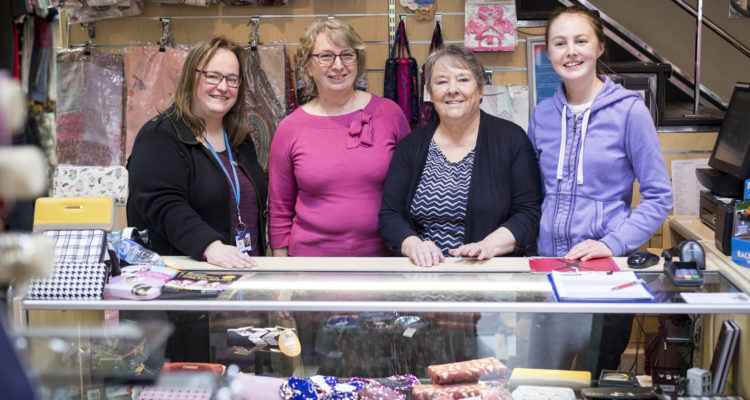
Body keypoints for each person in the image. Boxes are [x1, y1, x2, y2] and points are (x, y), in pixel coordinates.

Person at [526, 6, 673, 373]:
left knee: (596, 383)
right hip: (550, 273)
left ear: (600, 47)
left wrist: (613, 243)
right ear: (549, 52)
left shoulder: (630, 112)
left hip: (606, 275)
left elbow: (659, 196)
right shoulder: (542, 115)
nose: (570, 51)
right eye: (560, 43)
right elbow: (531, 195)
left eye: (581, 41)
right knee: (542, 383)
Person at [126, 36, 268, 363]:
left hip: (241, 291)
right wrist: (210, 246)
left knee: (243, 380)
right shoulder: (161, 136)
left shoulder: (239, 139)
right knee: (196, 379)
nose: (223, 87)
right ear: (192, 77)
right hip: (184, 300)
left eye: (232, 79)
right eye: (213, 76)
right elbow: (163, 204)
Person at [379, 45, 542, 267]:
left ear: (481, 89)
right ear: (430, 93)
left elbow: (528, 213)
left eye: (463, 80)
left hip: (489, 272)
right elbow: (390, 214)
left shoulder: (512, 140)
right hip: (423, 272)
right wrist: (414, 245)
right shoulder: (411, 146)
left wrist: (489, 246)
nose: (452, 89)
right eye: (441, 82)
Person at [268, 18, 410, 257]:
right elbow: (279, 209)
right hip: (309, 263)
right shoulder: (290, 128)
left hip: (384, 261)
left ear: (358, 61)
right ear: (308, 66)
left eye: (347, 55)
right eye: (325, 56)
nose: (338, 65)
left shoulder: (390, 114)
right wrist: (281, 270)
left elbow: (411, 190)